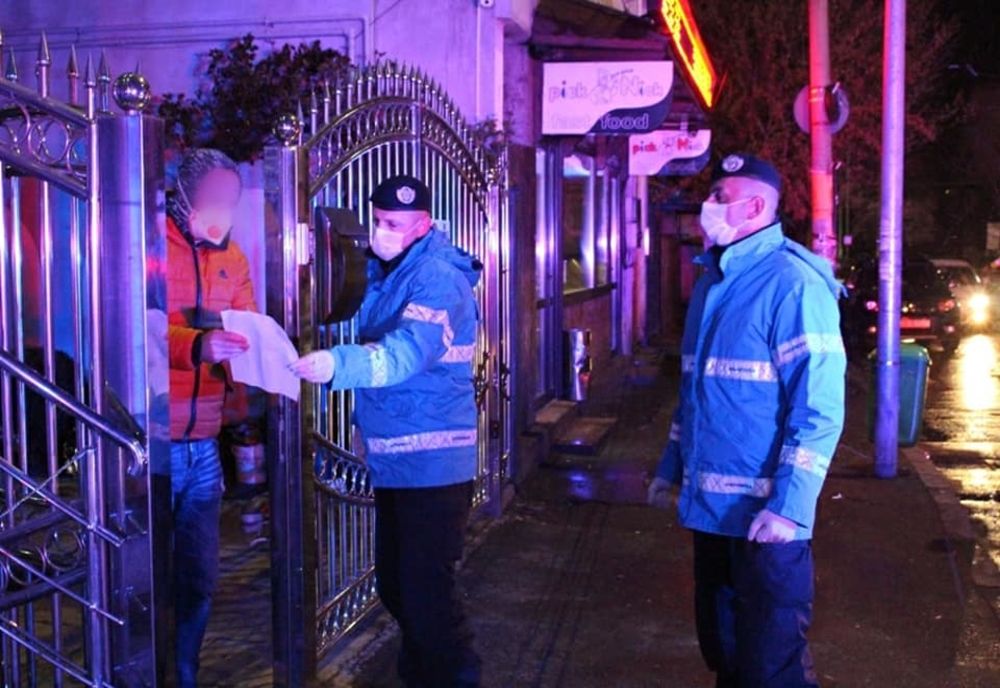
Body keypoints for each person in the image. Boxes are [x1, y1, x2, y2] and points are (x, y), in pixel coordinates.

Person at [647, 154, 847, 688]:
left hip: (768, 522)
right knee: (727, 658)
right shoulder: (714, 281)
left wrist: (789, 508)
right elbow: (695, 395)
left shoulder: (792, 283)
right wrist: (671, 470)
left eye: (720, 196)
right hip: (713, 516)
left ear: (755, 207)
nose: (707, 205)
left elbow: (819, 409)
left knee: (771, 669)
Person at [291, 175, 482, 687]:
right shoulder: (389, 273)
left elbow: (407, 352)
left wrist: (339, 364)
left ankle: (454, 679)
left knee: (426, 597)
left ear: (425, 224)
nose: (382, 232)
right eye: (377, 221)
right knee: (400, 589)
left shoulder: (436, 278)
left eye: (394, 223)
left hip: (435, 465)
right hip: (398, 460)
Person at [166, 148, 256, 687]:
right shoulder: (150, 245)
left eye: (231, 198)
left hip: (204, 442)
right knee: (146, 577)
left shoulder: (233, 257)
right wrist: (196, 345)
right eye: (214, 196)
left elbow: (246, 321)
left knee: (199, 578)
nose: (223, 207)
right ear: (183, 193)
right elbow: (132, 326)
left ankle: (184, 675)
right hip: (151, 441)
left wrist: (255, 352)